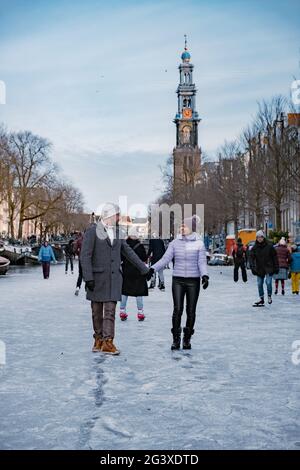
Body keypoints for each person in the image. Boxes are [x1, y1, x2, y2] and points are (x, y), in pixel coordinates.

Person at [80, 203, 151, 355]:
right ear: (109, 216)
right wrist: (88, 278)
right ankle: (98, 339)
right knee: (96, 312)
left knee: (110, 311)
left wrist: (144, 269)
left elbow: (129, 252)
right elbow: (85, 256)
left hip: (114, 279)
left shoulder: (119, 232)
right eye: (117, 215)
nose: (119, 217)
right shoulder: (93, 231)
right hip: (97, 278)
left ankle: (108, 342)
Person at [149, 215, 209, 350]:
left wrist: (204, 275)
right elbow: (165, 259)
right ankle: (176, 339)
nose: (182, 228)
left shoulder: (199, 243)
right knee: (177, 309)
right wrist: (152, 269)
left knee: (191, 310)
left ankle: (187, 339)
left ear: (191, 228)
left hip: (193, 280)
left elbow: (202, 261)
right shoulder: (174, 243)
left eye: (185, 226)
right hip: (178, 280)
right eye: (181, 226)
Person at [119, 226, 148, 321]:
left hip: (126, 271)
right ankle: (140, 312)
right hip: (138, 272)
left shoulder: (124, 244)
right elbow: (144, 258)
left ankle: (122, 311)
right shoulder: (140, 246)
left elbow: (120, 257)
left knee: (124, 291)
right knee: (139, 292)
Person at [250, 230, 279, 307]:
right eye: (258, 237)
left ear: (263, 237)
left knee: (268, 282)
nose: (259, 238)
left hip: (269, 267)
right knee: (259, 283)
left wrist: (276, 267)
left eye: (261, 237)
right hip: (259, 268)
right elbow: (251, 258)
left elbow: (274, 257)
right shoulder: (254, 248)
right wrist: (252, 267)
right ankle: (261, 298)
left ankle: (269, 296)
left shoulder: (269, 246)